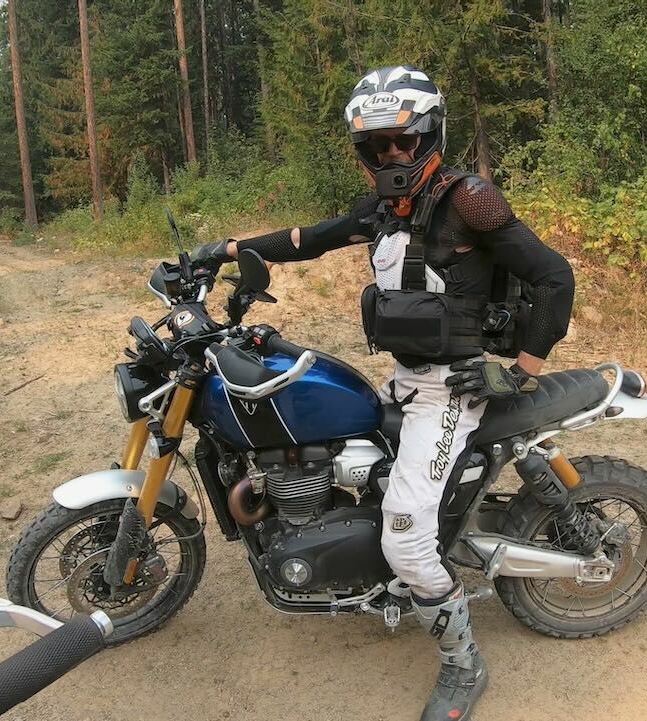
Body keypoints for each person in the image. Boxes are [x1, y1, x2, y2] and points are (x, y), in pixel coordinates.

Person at [193, 66, 574, 721]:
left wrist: (519, 370)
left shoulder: (470, 200)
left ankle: (463, 663)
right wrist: (223, 250)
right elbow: (306, 240)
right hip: (404, 381)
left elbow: (553, 276)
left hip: (452, 390)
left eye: (404, 141)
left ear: (430, 136)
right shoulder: (382, 210)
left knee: (407, 542)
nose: (392, 155)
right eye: (377, 145)